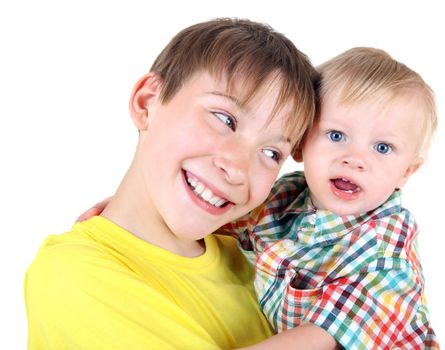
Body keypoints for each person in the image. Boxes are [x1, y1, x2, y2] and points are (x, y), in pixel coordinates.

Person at [24, 18, 318, 349]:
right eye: (225, 119)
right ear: (146, 103)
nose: (238, 168)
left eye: (271, 152)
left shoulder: (267, 261)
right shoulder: (74, 275)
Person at [221, 47, 440, 349]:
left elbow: (320, 338)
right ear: (300, 142)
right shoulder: (281, 199)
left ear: (407, 172)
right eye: (336, 136)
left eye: (383, 148)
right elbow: (216, 228)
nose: (355, 159)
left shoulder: (386, 245)